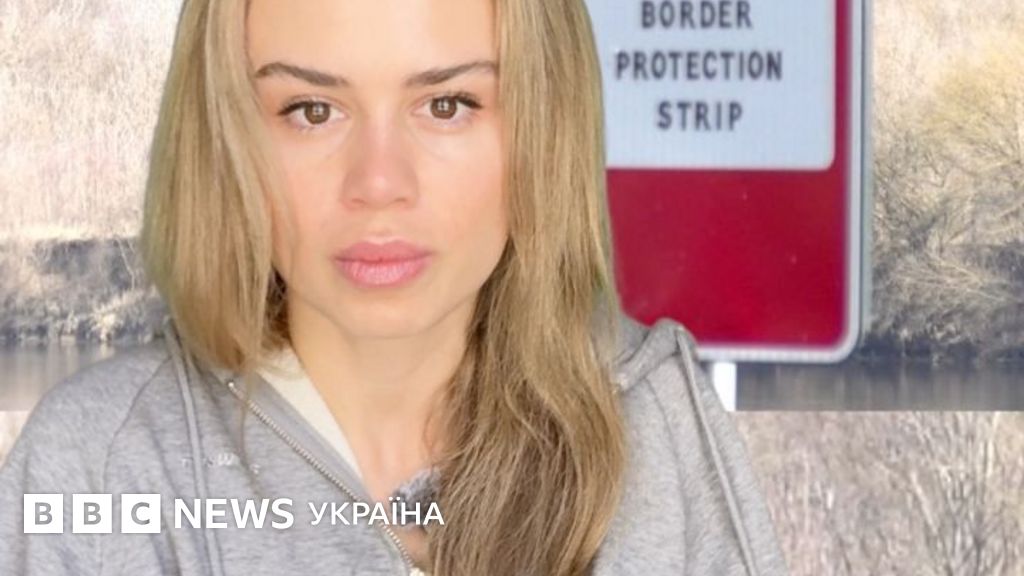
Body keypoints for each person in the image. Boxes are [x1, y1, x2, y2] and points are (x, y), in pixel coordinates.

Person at [0, 0, 789, 574]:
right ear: (225, 136)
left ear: (544, 129)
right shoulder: (99, 462)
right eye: (312, 110)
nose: (379, 184)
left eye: (447, 105)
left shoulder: (652, 423)